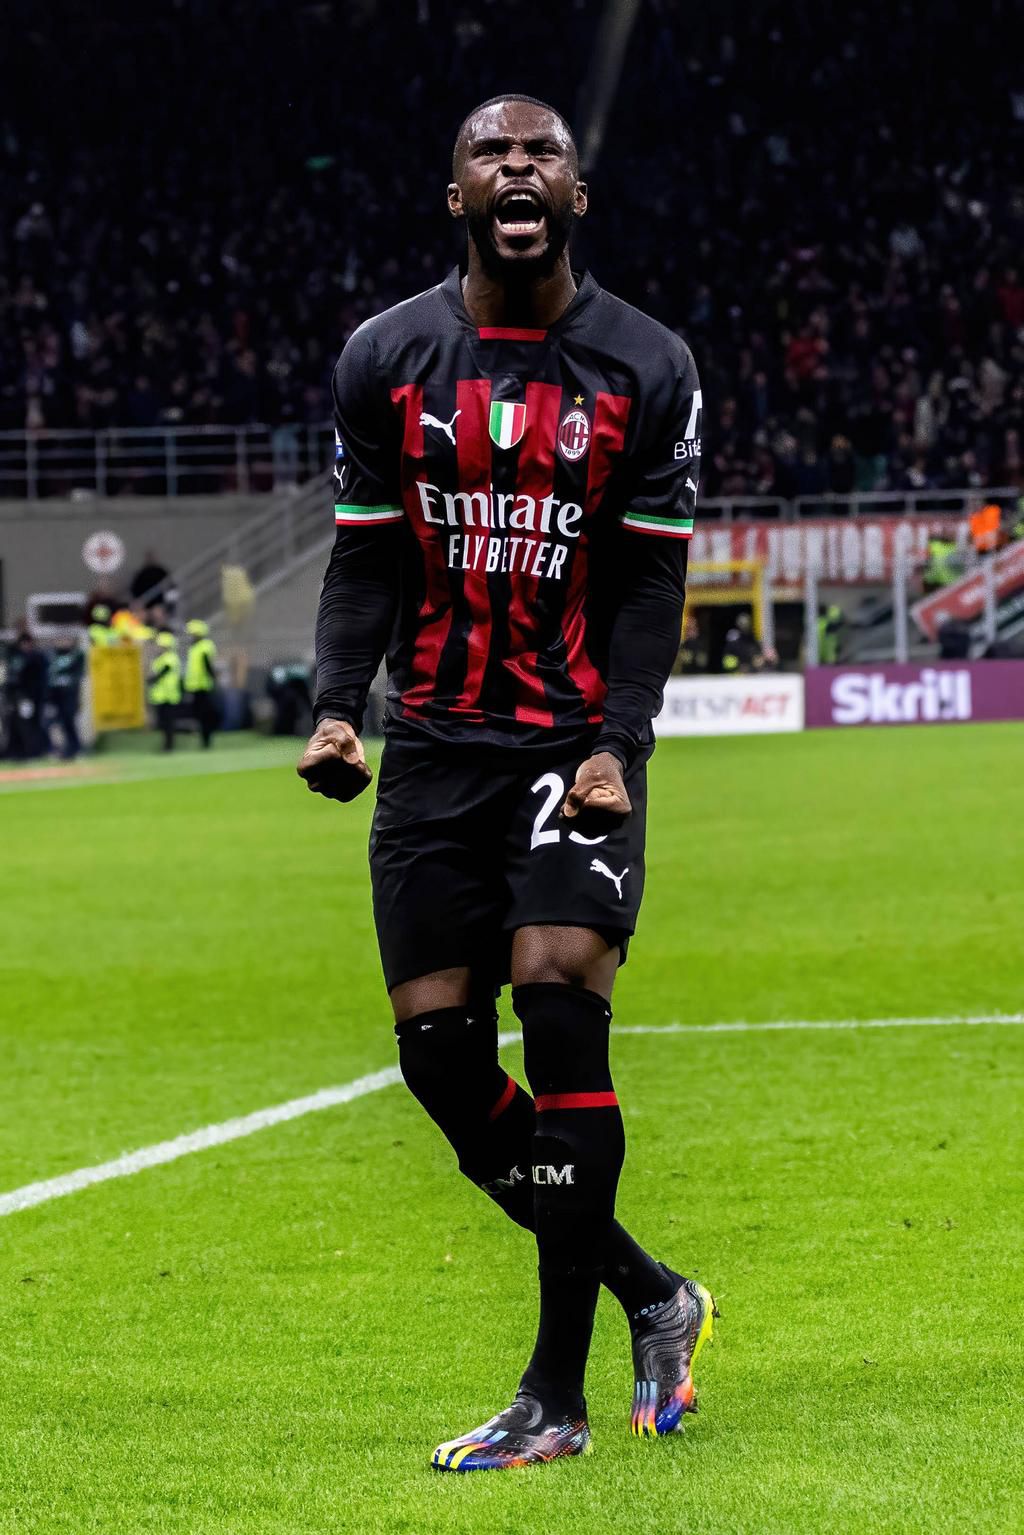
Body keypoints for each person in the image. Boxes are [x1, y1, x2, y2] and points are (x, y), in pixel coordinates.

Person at [297, 95, 714, 1474]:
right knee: (439, 1056)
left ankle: (555, 1393)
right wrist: (335, 710)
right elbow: (364, 553)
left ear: (575, 195)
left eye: (542, 152)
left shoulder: (647, 363)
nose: (517, 166)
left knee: (557, 1003)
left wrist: (618, 741)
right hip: (431, 746)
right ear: (458, 195)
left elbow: (649, 579)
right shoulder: (386, 356)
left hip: (565, 745)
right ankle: (653, 1291)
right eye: (492, 151)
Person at [47, 639, 85, 760]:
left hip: (70, 697)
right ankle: (65, 748)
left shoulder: (76, 655)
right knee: (60, 724)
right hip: (57, 698)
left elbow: (78, 674)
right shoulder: (53, 656)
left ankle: (75, 748)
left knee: (70, 723)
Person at [184, 619, 218, 748]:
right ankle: (204, 739)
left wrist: (213, 680)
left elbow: (207, 665)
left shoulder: (204, 646)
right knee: (199, 714)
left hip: (204, 686)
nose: (191, 636)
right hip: (195, 686)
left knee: (205, 715)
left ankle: (206, 740)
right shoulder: (194, 647)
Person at [148, 630, 181, 750]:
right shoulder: (161, 658)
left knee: (168, 722)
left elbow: (162, 673)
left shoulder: (170, 658)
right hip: (161, 695)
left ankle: (169, 745)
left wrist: (151, 680)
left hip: (169, 695)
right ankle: (166, 745)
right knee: (163, 722)